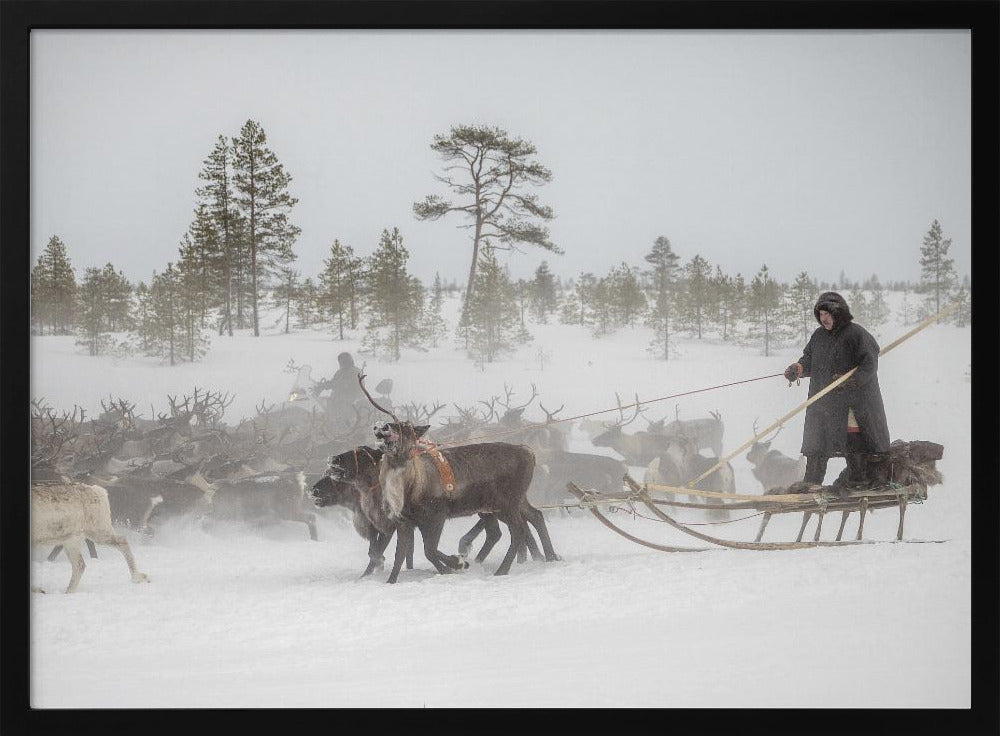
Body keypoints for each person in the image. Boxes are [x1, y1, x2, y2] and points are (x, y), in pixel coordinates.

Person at [783, 292, 890, 488]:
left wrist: (851, 381)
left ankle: (857, 480)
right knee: (817, 441)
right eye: (821, 314)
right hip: (823, 402)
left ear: (838, 313)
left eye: (828, 314)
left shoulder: (856, 334)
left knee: (853, 440)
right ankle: (811, 483)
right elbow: (809, 359)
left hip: (851, 403)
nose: (823, 318)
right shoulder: (818, 336)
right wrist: (798, 369)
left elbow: (869, 364)